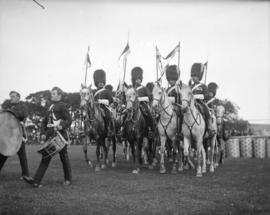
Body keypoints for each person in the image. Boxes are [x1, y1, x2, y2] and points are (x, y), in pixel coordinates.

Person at [30, 87, 72, 188]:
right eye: (52, 93)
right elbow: (44, 122)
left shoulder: (63, 106)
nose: (52, 95)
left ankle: (68, 179)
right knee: (46, 158)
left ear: (59, 95)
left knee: (64, 158)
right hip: (51, 137)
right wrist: (43, 133)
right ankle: (36, 181)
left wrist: (62, 125)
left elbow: (69, 119)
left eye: (54, 93)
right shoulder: (50, 107)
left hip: (61, 136)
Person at [0, 91, 33, 183]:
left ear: (18, 97)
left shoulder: (22, 106)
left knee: (22, 156)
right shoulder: (10, 108)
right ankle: (25, 174)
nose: (11, 98)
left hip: (18, 135)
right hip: (10, 136)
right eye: (10, 96)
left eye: (13, 96)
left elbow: (23, 114)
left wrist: (8, 111)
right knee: (3, 154)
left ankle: (26, 174)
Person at [188, 63, 215, 136]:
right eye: (192, 76)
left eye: (195, 76)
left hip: (200, 103)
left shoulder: (203, 86)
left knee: (206, 110)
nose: (193, 78)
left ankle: (210, 127)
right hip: (191, 104)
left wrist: (197, 96)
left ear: (199, 77)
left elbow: (206, 96)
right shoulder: (190, 87)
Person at [131, 66, 154, 137]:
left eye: (139, 79)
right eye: (137, 79)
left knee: (148, 114)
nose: (138, 80)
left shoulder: (144, 88)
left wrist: (140, 99)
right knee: (124, 115)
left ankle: (150, 129)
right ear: (134, 80)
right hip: (132, 105)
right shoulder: (131, 89)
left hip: (142, 105)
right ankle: (122, 130)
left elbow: (150, 97)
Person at [92, 69, 114, 137]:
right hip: (96, 109)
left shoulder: (107, 91)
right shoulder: (94, 92)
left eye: (102, 82)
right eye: (99, 82)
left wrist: (100, 101)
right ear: (96, 83)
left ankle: (108, 130)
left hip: (104, 108)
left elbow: (110, 100)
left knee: (108, 116)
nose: (101, 83)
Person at [165, 65, 183, 139]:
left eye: (172, 79)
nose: (170, 81)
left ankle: (181, 131)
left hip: (177, 105)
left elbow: (182, 97)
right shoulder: (167, 89)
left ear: (175, 79)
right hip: (168, 107)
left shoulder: (179, 87)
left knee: (182, 116)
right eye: (169, 80)